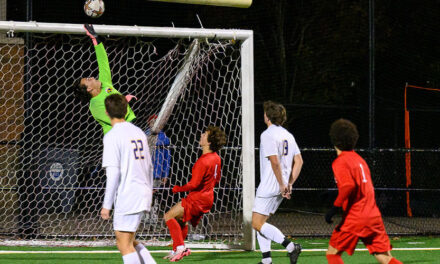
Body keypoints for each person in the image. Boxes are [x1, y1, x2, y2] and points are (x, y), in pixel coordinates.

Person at [325, 119, 402, 264]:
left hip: (356, 217)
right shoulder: (359, 160)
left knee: (332, 254)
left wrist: (334, 208)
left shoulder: (341, 161)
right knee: (385, 257)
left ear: (334, 139)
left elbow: (348, 186)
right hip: (373, 216)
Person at [101, 94, 156, 264]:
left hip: (128, 194)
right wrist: (149, 190)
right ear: (126, 110)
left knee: (123, 244)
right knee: (130, 241)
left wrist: (106, 206)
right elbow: (149, 165)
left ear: (106, 112)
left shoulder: (111, 136)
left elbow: (113, 174)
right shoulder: (138, 131)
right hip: (142, 191)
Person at [163, 126, 226, 262]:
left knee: (168, 216)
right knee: (181, 220)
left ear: (209, 142)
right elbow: (217, 178)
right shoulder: (216, 158)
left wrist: (177, 189)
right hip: (208, 197)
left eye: (205, 134)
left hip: (198, 198)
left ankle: (181, 248)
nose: (201, 135)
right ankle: (176, 250)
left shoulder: (203, 161)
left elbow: (194, 184)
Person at [252, 101, 303, 264]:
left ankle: (291, 247)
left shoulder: (267, 134)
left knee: (256, 223)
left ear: (267, 117)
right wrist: (289, 184)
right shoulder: (288, 135)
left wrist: (282, 184)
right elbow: (299, 161)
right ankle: (266, 260)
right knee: (261, 223)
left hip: (271, 184)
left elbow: (274, 162)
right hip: (282, 184)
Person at [73, 24, 136, 135]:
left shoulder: (104, 83)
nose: (92, 77)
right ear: (89, 89)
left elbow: (103, 61)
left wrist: (95, 38)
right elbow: (117, 119)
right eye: (88, 79)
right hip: (118, 136)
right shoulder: (95, 105)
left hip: (130, 127)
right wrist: (124, 101)